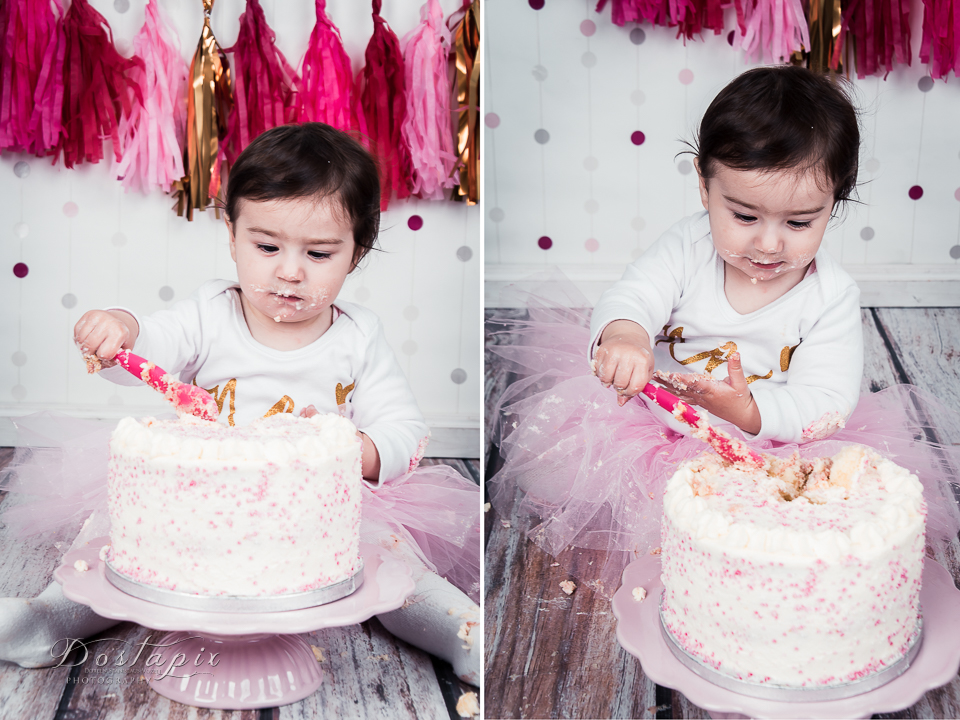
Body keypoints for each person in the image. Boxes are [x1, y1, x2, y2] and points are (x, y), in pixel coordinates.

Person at [0, 123, 480, 684]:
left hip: (318, 508)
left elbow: (403, 425)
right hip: (198, 498)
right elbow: (156, 345)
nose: (290, 271)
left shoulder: (359, 336)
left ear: (357, 252)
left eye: (319, 253)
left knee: (397, 571)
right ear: (231, 235)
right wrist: (123, 328)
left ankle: (462, 633)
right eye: (266, 245)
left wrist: (365, 451)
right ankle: (48, 621)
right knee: (109, 552)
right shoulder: (210, 313)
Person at [488, 65, 960, 596]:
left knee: (770, 533)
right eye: (744, 216)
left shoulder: (832, 297)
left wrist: (751, 414)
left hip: (770, 444)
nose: (769, 245)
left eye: (799, 223)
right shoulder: (685, 250)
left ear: (836, 203)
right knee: (632, 505)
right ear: (704, 185)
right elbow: (634, 295)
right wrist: (626, 335)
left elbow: (828, 398)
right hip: (651, 419)